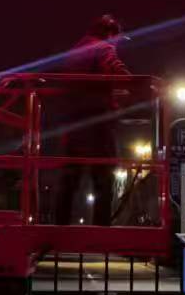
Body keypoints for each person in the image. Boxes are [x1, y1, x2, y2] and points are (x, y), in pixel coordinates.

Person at [52, 14, 131, 226]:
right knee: (104, 174)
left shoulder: (75, 51)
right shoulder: (103, 47)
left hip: (73, 121)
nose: (117, 43)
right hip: (98, 120)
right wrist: (133, 83)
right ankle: (101, 226)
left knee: (71, 174)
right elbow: (116, 69)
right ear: (110, 33)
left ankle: (60, 225)